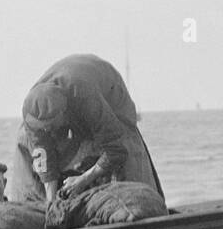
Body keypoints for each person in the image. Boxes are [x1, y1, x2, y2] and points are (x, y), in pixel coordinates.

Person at [9, 54, 162, 204]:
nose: (46, 130)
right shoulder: (31, 112)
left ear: (63, 113)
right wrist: (51, 202)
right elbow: (43, 154)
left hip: (108, 94)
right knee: (25, 140)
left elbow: (116, 149)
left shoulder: (88, 100)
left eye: (50, 125)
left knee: (126, 156)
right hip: (72, 85)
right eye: (43, 127)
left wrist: (83, 179)